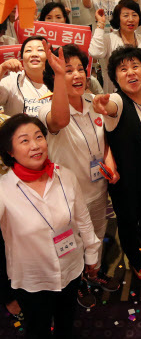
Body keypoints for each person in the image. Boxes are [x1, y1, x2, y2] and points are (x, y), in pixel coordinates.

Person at [0, 113, 101, 339]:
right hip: (33, 280)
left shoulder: (64, 176)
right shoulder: (4, 189)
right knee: (38, 329)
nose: (35, 145)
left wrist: (92, 254)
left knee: (66, 323)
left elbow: (82, 218)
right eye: (24, 141)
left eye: (39, 137)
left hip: (71, 269)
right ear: (10, 151)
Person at [39, 44, 120, 307]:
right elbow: (60, 121)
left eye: (79, 69)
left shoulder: (93, 100)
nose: (76, 75)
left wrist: (111, 164)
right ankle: (75, 285)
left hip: (97, 189)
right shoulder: (46, 108)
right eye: (67, 71)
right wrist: (59, 74)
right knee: (71, 245)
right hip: (68, 199)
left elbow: (104, 140)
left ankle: (92, 274)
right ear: (54, 76)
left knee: (95, 237)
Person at [91, 46, 141, 283]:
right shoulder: (118, 101)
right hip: (129, 181)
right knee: (127, 221)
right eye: (123, 69)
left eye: (135, 66)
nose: (130, 73)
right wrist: (102, 105)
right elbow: (109, 106)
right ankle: (135, 262)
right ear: (115, 78)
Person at [88, 0, 141, 93]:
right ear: (118, 19)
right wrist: (100, 23)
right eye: (126, 15)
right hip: (115, 94)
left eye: (134, 15)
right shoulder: (108, 39)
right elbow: (95, 53)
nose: (131, 19)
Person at [0, 36, 51, 116]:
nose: (34, 54)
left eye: (40, 50)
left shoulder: (58, 81)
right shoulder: (12, 80)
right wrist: (2, 68)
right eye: (28, 50)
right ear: (22, 57)